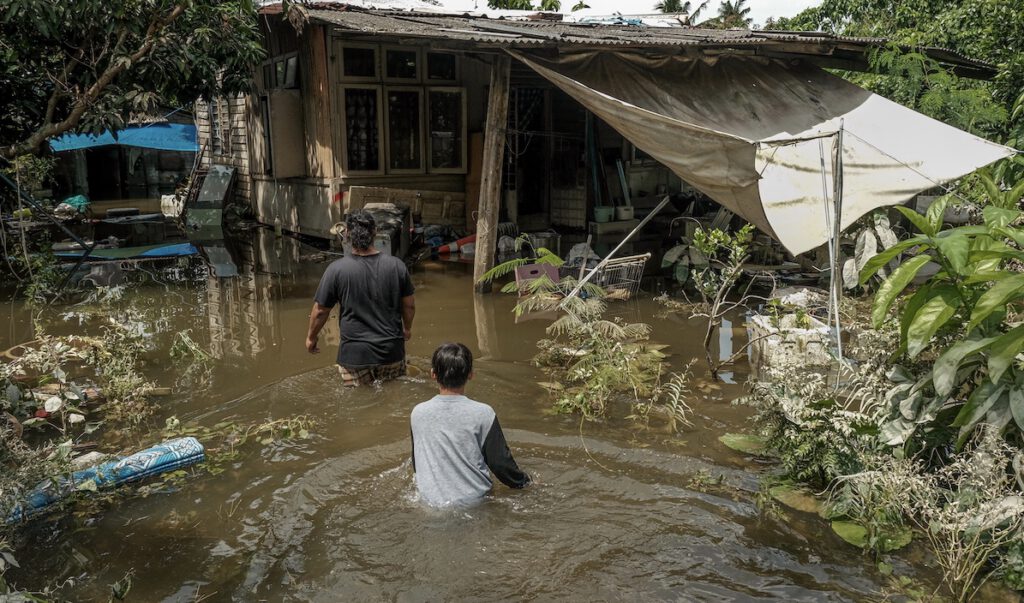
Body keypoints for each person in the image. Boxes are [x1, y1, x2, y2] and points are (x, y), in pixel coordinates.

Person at [410, 342, 530, 506]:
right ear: (471, 374)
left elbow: (418, 462)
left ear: (433, 374)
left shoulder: (418, 413)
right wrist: (526, 483)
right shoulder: (483, 413)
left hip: (430, 503)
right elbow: (501, 465)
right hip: (475, 503)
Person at [306, 210, 416, 386]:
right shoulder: (397, 266)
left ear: (348, 235)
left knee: (356, 403)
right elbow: (409, 306)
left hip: (354, 356)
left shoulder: (336, 270)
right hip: (391, 352)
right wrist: (407, 329)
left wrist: (311, 337)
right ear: (374, 232)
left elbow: (320, 311)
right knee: (391, 400)